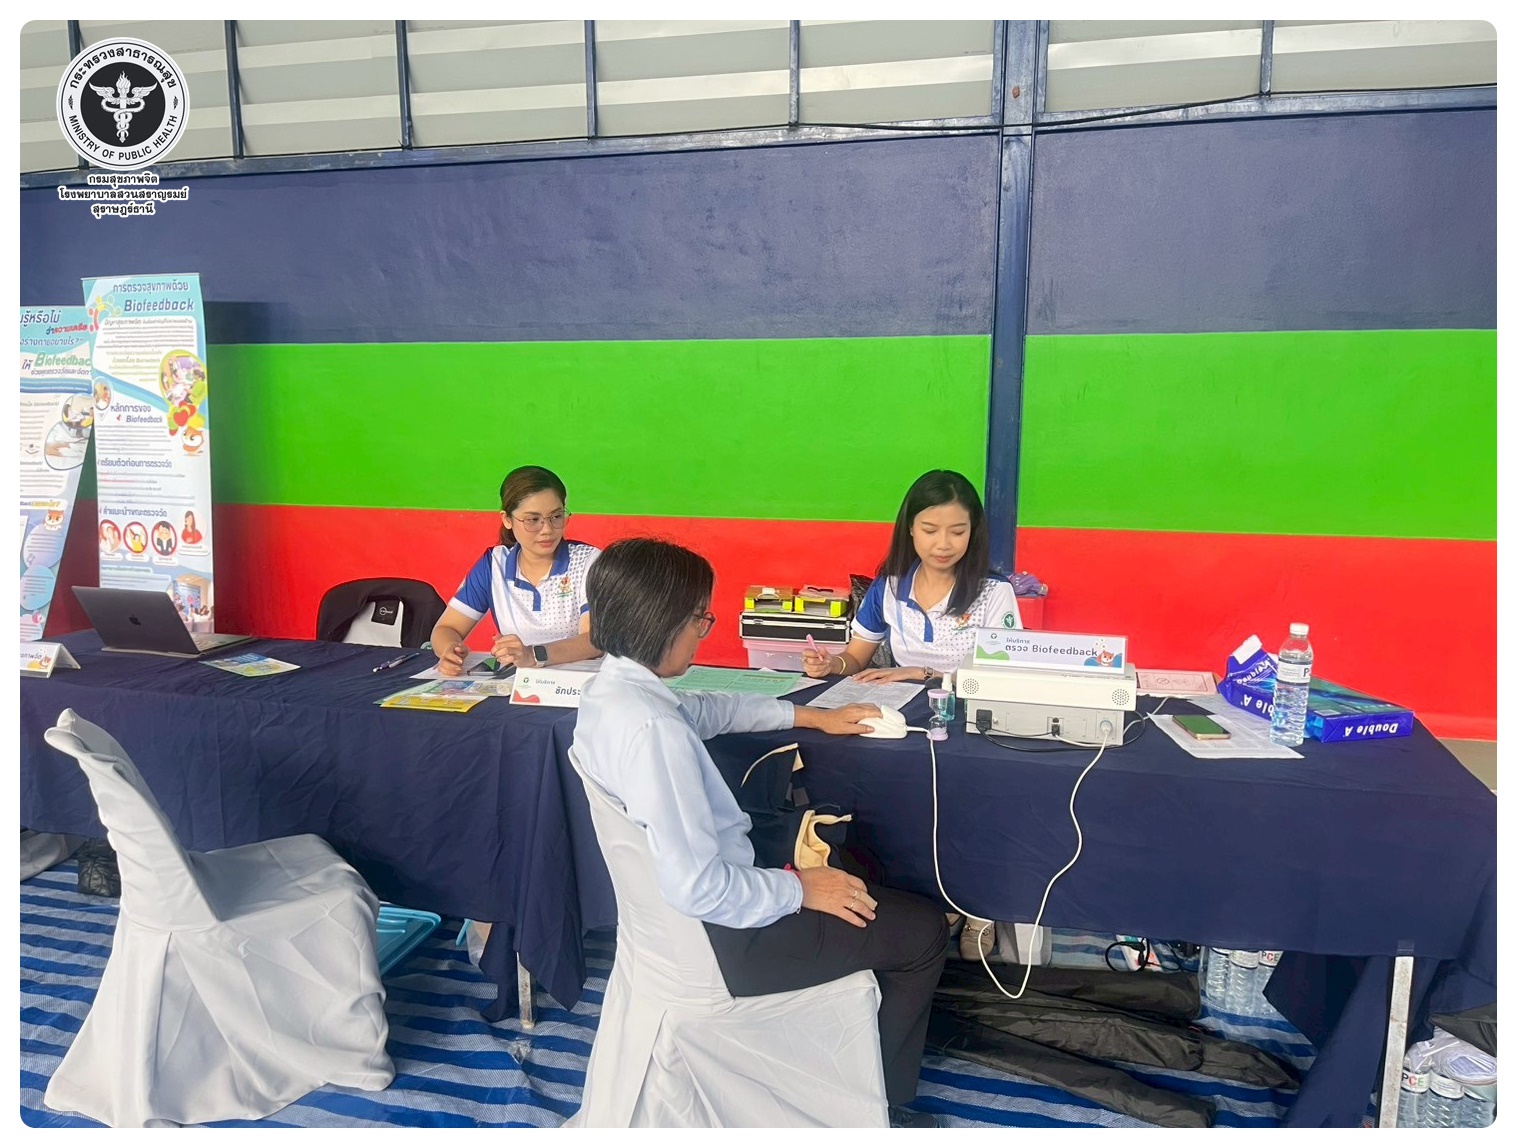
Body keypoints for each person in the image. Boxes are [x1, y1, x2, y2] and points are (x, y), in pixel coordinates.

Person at [573, 538, 949, 1126]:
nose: (704, 632)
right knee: (922, 931)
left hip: (669, 938)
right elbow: (699, 887)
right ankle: (885, 1111)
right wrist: (801, 888)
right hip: (723, 943)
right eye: (700, 618)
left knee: (850, 872)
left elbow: (704, 710)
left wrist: (812, 715)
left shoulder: (612, 693)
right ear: (658, 623)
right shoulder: (653, 734)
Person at [802, 469, 1022, 684]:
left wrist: (923, 674)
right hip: (897, 703)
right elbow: (855, 658)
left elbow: (1000, 678)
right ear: (910, 528)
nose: (943, 544)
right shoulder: (890, 585)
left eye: (957, 532)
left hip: (963, 705)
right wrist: (831, 664)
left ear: (972, 531)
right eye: (930, 531)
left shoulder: (994, 592)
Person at [430, 466, 600, 676]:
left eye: (556, 516)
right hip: (518, 684)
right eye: (533, 520)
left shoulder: (588, 562)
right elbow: (446, 629)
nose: (547, 530)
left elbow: (594, 641)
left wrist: (533, 655)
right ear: (507, 520)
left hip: (578, 684)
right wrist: (449, 650)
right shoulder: (494, 565)